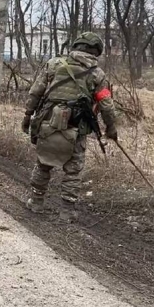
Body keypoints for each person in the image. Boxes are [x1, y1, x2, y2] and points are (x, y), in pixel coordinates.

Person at [21, 32, 118, 221]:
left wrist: (27, 115)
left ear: (76, 46)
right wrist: (111, 127)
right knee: (73, 169)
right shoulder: (98, 74)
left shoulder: (54, 64)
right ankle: (66, 210)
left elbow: (36, 92)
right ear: (96, 51)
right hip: (77, 127)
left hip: (48, 121)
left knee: (43, 162)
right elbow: (106, 103)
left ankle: (36, 201)